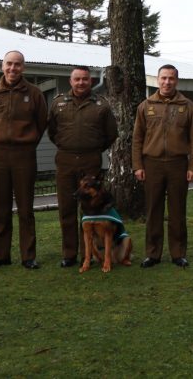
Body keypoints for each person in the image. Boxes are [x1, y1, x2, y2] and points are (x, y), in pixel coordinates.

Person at [47, 65, 118, 268]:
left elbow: (111, 134)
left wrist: (93, 149)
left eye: (85, 79)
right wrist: (69, 146)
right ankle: (69, 254)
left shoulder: (101, 105)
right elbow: (52, 132)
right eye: (77, 79)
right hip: (66, 161)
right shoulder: (58, 103)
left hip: (90, 162)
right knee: (67, 208)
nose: (81, 83)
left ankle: (91, 252)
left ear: (91, 81)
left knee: (91, 210)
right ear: (70, 81)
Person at [0, 50, 48, 270]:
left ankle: (28, 256)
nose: (13, 68)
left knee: (25, 208)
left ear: (23, 68)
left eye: (17, 65)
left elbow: (41, 124)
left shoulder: (34, 93)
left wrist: (26, 143)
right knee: (0, 207)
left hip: (24, 155)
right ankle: (1, 255)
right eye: (9, 64)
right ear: (2, 66)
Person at [132, 64, 193, 268]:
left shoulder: (188, 106)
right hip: (151, 164)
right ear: (157, 80)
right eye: (163, 78)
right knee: (153, 210)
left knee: (177, 210)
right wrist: (137, 165)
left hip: (178, 164)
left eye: (171, 78)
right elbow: (137, 139)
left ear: (176, 81)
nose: (167, 82)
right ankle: (152, 253)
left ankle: (178, 253)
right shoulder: (145, 106)